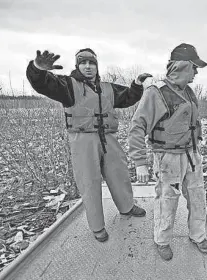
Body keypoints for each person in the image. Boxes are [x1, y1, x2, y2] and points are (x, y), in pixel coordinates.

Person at [26, 48, 152, 242]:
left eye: (91, 63)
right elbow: (43, 83)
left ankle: (127, 207)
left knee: (120, 173)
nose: (87, 66)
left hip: (108, 137)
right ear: (78, 66)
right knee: (89, 182)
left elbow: (127, 97)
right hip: (82, 139)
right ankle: (97, 226)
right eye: (83, 62)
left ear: (96, 66)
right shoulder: (67, 85)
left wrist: (136, 84)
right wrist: (37, 69)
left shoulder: (107, 87)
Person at [128, 43, 207, 260]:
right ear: (183, 66)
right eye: (195, 67)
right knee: (167, 199)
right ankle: (162, 240)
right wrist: (140, 162)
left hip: (192, 154)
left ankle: (197, 235)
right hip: (168, 157)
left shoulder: (189, 92)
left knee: (197, 196)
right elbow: (137, 127)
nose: (197, 72)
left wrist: (197, 150)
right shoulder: (156, 93)